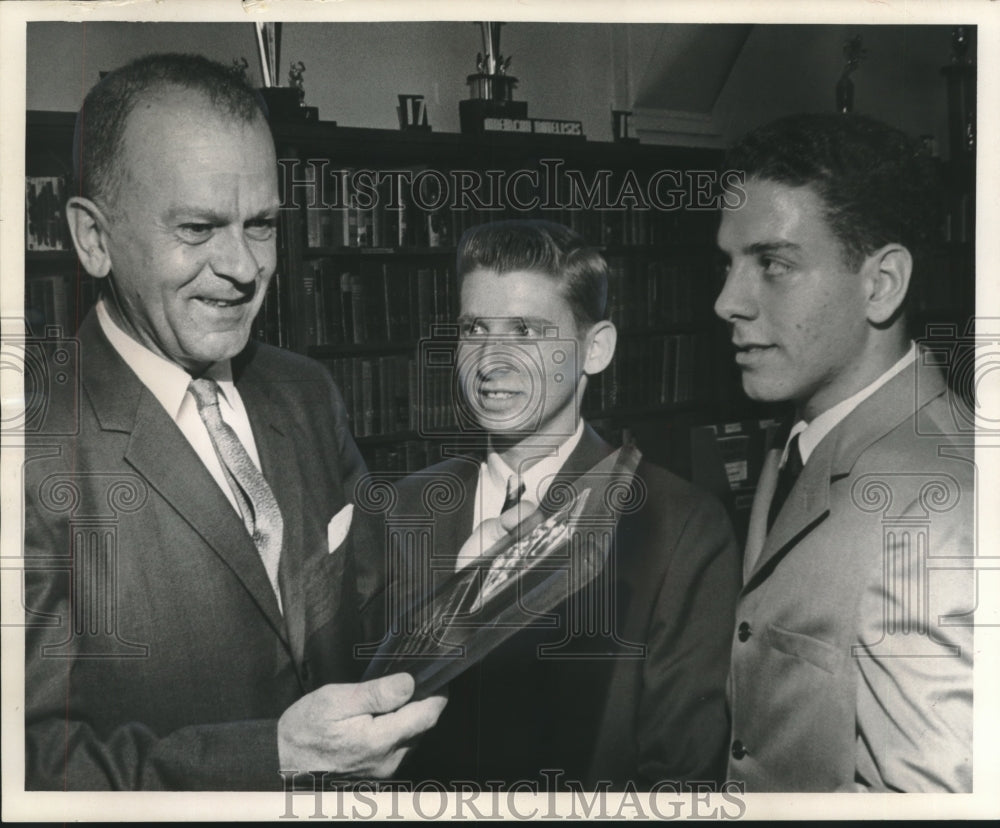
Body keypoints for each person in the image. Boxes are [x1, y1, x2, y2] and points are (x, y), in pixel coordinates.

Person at [23, 53, 444, 791]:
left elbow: (376, 608)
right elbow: (25, 767)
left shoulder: (307, 392)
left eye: (262, 225)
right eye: (197, 227)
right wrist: (272, 758)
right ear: (93, 239)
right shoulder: (28, 454)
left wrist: (476, 577)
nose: (244, 268)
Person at [369, 219, 741, 788]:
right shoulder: (401, 508)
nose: (491, 360)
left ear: (595, 349)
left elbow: (680, 776)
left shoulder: (678, 524)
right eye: (474, 329)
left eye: (526, 331)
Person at [714, 113, 974, 791]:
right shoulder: (796, 436)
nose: (726, 302)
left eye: (772, 264)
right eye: (729, 264)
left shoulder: (940, 504)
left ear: (881, 284)